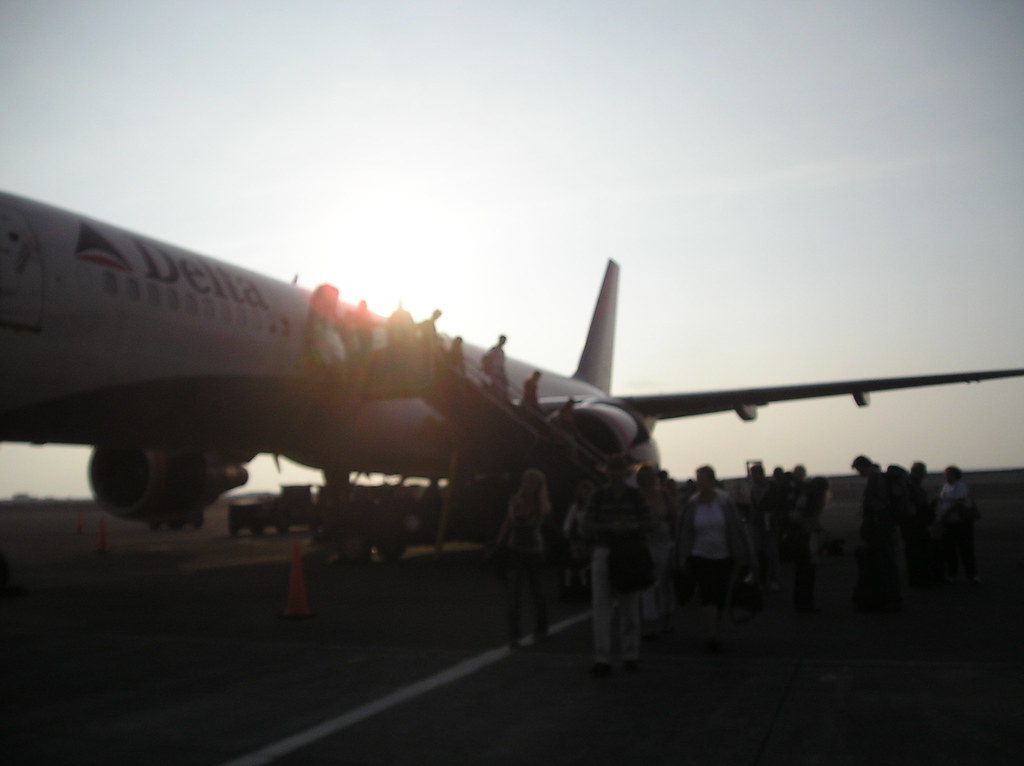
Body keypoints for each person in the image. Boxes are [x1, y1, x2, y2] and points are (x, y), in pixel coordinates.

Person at [582, 456, 654, 676]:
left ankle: (624, 655)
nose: (615, 476)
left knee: (626, 606)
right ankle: (609, 656)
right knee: (608, 605)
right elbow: (586, 525)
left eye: (618, 473)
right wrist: (613, 527)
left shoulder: (631, 496)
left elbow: (649, 522)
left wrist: (626, 527)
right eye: (613, 473)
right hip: (609, 550)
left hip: (623, 551)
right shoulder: (601, 496)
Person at [676, 465, 754, 651]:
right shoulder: (692, 504)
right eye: (697, 478)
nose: (699, 482)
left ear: (711, 480)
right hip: (700, 553)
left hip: (723, 554)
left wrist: (743, 552)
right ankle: (712, 632)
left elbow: (736, 527)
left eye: (702, 478)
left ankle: (716, 625)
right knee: (707, 591)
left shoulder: (724, 501)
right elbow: (685, 531)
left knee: (720, 592)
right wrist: (682, 556)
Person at [496, 468, 552, 648]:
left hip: (534, 551)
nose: (529, 485)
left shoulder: (540, 503)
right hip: (515, 549)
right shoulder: (515, 500)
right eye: (527, 481)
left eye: (533, 483)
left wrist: (540, 496)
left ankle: (541, 628)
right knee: (513, 593)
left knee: (537, 592)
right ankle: (514, 635)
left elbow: (546, 512)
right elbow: (509, 520)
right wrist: (499, 541)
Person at [851, 455, 902, 611]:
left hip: (881, 525)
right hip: (883, 525)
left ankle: (891, 598)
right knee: (886, 561)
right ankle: (889, 596)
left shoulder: (875, 478)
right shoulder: (878, 477)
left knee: (886, 561)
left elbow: (878, 502)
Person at [637, 463, 676, 636]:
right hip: (647, 543)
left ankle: (665, 618)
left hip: (664, 542)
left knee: (665, 583)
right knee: (650, 584)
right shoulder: (639, 497)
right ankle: (652, 620)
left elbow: (676, 514)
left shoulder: (663, 494)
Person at [936, 465, 980, 583]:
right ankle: (952, 574)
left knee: (966, 549)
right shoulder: (945, 486)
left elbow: (959, 502)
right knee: (950, 549)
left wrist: (944, 514)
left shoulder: (960, 486)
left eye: (948, 474)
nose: (946, 476)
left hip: (961, 522)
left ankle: (972, 575)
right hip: (949, 523)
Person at [793, 476, 829, 613]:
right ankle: (806, 603)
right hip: (808, 537)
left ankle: (801, 603)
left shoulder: (804, 497)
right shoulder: (812, 502)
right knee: (808, 573)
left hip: (801, 537)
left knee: (801, 573)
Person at [746, 462, 783, 591]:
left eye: (755, 474)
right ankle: (758, 577)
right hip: (757, 523)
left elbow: (779, 505)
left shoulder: (772, 488)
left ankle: (773, 579)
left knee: (771, 552)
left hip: (770, 523)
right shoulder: (753, 489)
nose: (753, 477)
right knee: (756, 551)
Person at [560, 479, 595, 601]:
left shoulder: (594, 506)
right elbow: (568, 522)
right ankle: (575, 586)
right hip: (580, 538)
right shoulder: (576, 507)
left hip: (592, 538)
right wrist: (567, 532)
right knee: (575, 560)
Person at [903, 462, 936, 586]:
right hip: (915, 523)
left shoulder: (911, 484)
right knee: (917, 551)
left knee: (917, 551)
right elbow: (916, 504)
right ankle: (919, 578)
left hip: (914, 522)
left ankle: (919, 578)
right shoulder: (912, 486)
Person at [481, 335, 508, 399]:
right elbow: (486, 358)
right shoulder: (494, 349)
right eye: (502, 340)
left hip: (498, 373)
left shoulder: (502, 352)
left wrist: (504, 375)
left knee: (502, 386)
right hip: (492, 372)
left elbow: (501, 365)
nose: (502, 342)